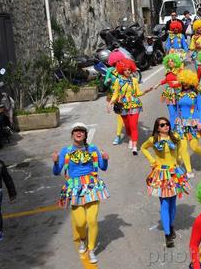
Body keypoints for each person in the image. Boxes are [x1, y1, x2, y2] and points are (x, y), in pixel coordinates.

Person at [52, 123, 109, 264]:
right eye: (76, 131)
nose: (79, 133)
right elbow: (56, 171)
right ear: (72, 134)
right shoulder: (66, 151)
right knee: (80, 222)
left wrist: (106, 159)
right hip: (74, 188)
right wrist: (54, 162)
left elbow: (103, 167)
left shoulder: (93, 149)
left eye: (82, 131)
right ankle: (83, 239)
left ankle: (91, 250)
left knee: (92, 220)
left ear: (85, 135)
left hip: (91, 186)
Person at [141, 117, 191, 248]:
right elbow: (143, 148)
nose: (166, 126)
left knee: (173, 203)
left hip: (174, 173)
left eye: (167, 124)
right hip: (161, 174)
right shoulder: (154, 140)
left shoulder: (174, 136)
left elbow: (181, 147)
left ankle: (170, 225)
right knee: (164, 203)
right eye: (162, 125)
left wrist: (178, 160)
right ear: (158, 128)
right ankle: (168, 234)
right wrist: (152, 161)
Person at [107, 59, 152, 155]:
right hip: (123, 105)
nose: (128, 71)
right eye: (126, 70)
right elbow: (115, 94)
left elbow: (138, 93)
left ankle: (135, 147)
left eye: (129, 70)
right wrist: (110, 103)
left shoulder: (135, 80)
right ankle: (130, 139)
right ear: (122, 70)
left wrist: (146, 91)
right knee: (127, 126)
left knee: (133, 125)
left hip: (135, 104)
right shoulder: (118, 81)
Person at [174, 69, 201, 178]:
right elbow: (177, 110)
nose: (184, 84)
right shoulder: (179, 94)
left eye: (186, 82)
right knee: (183, 147)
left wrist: (200, 122)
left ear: (190, 81)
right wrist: (174, 124)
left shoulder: (196, 94)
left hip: (194, 123)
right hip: (181, 123)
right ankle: (189, 171)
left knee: (194, 147)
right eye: (183, 82)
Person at [152, 53, 184, 128]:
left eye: (172, 61)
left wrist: (178, 82)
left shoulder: (180, 71)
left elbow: (185, 80)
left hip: (178, 92)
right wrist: (158, 84)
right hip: (169, 93)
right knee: (172, 112)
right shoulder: (168, 71)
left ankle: (179, 127)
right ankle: (172, 129)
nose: (170, 62)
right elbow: (166, 80)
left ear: (176, 62)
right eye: (169, 61)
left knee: (179, 111)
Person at [0, 158, 16, 242]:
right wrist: (12, 193)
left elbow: (7, 179)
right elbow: (7, 179)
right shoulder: (0, 162)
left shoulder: (0, 163)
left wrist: (12, 193)